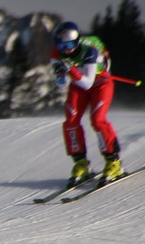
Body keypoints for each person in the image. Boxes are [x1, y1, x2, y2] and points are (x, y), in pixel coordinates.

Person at [50, 21, 126, 186]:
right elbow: (61, 83)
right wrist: (61, 73)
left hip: (100, 83)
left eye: (69, 44)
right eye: (61, 45)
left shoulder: (89, 51)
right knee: (70, 121)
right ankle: (80, 163)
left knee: (98, 120)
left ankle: (114, 162)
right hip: (78, 85)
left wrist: (70, 70)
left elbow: (88, 83)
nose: (65, 49)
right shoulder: (57, 53)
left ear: (77, 41)